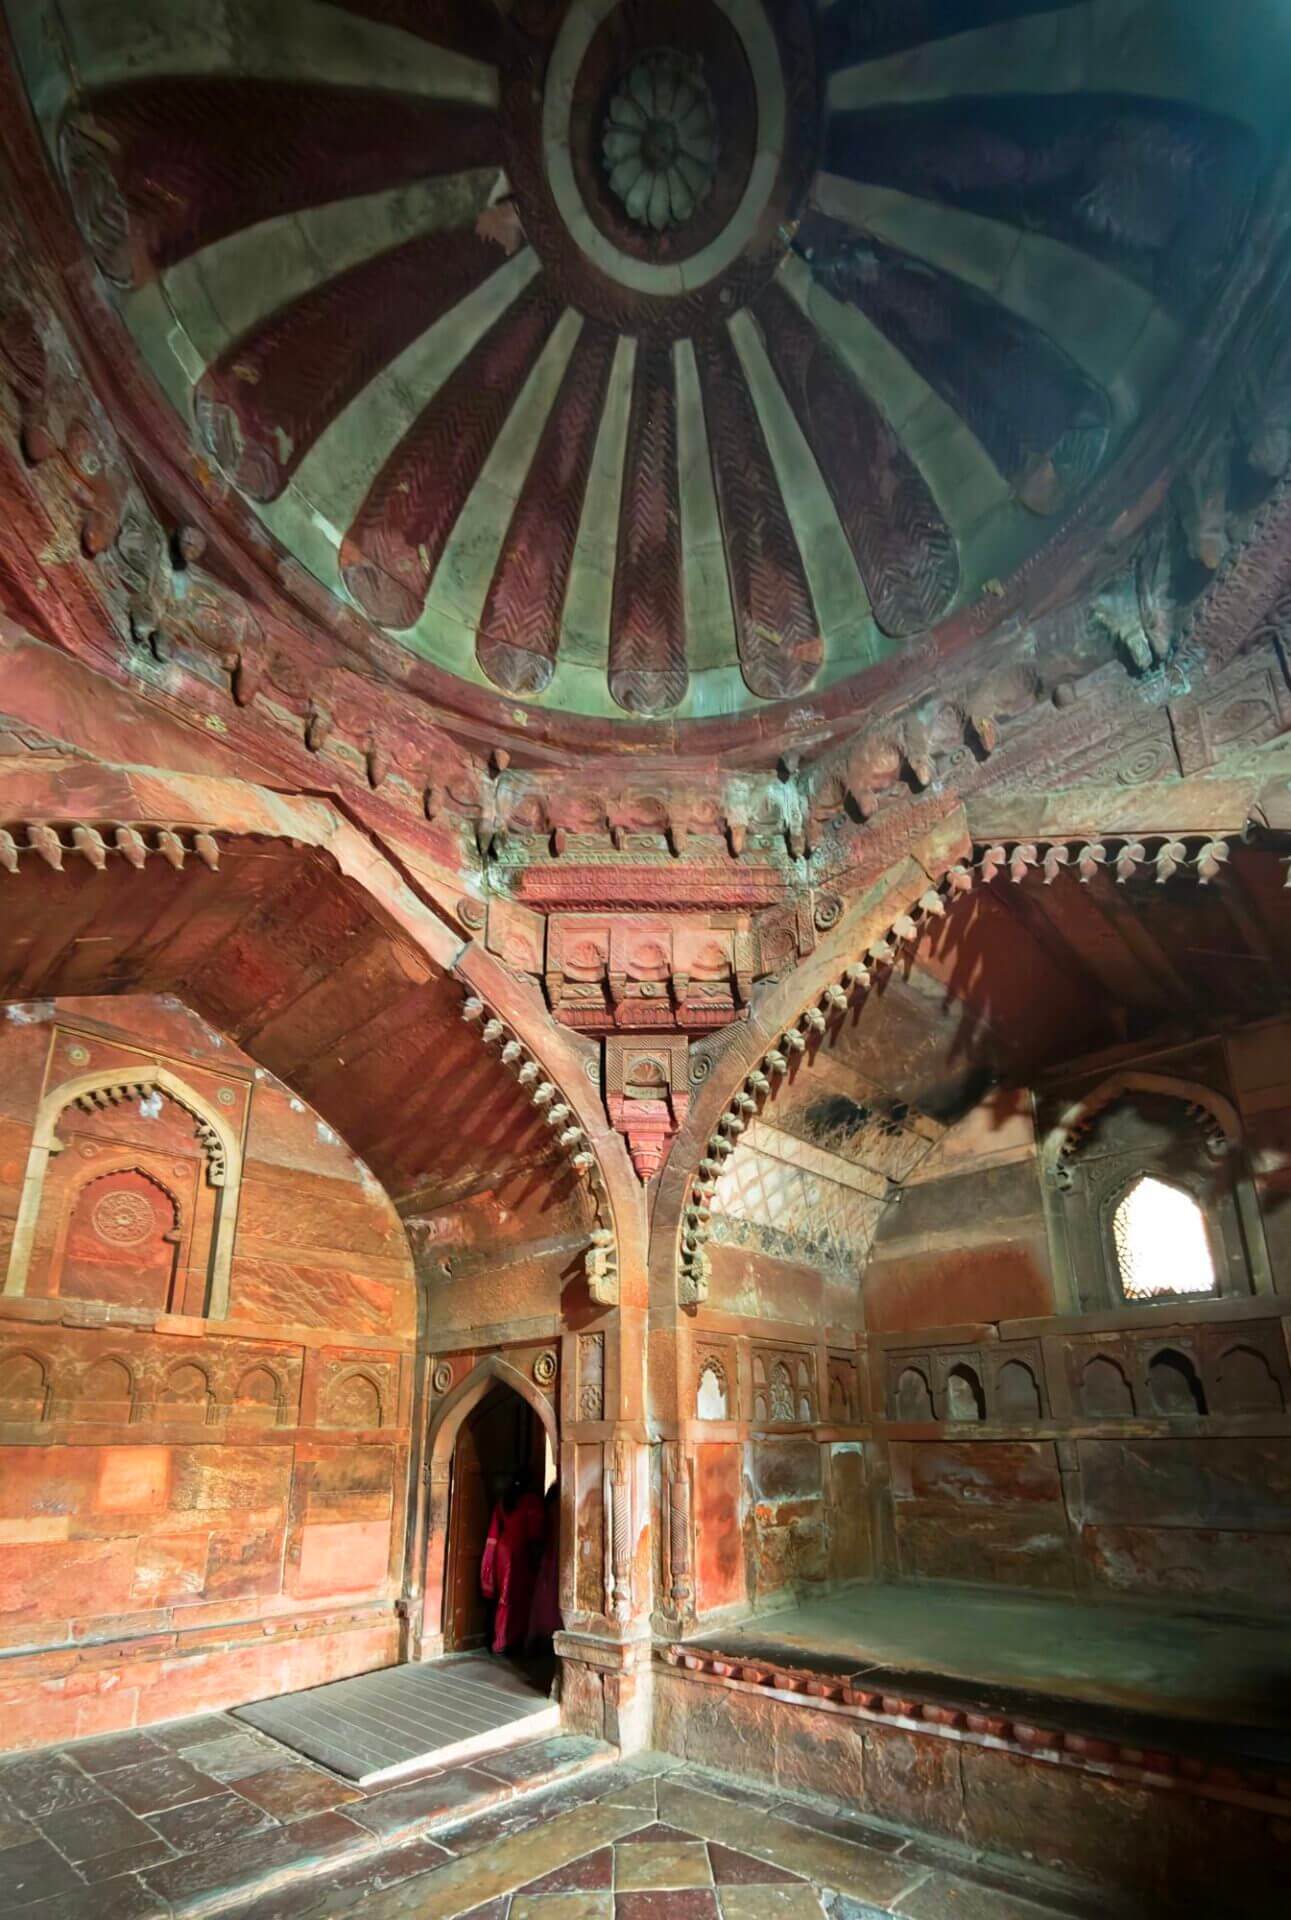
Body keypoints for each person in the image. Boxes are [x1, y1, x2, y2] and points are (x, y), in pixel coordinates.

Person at [479, 1474, 544, 1656]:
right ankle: (513, 1638)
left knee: (504, 1597)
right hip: (520, 1551)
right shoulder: (530, 1502)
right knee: (520, 1596)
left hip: (503, 1549)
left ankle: (500, 1640)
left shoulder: (503, 1501)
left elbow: (494, 1531)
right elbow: (535, 1531)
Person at [525, 1482, 561, 1654]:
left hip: (551, 1551)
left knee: (545, 1594)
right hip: (558, 1551)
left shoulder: (550, 1502)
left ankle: (541, 1635)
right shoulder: (558, 1503)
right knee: (551, 1596)